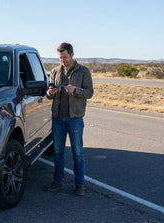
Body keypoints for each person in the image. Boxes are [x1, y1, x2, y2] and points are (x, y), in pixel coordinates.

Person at [44, 42, 94, 196]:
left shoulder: (83, 71)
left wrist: (75, 90)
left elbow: (89, 93)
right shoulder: (55, 71)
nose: (62, 60)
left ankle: (79, 185)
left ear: (72, 54)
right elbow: (48, 94)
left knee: (77, 153)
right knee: (58, 152)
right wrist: (50, 92)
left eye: (64, 57)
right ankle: (58, 181)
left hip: (75, 119)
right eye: (60, 58)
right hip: (58, 118)